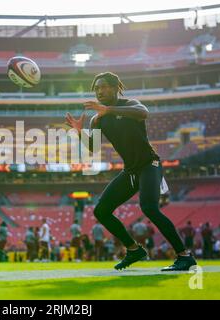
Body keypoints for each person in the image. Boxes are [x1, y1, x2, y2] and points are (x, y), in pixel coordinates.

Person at [65, 72, 196, 271]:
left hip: (149, 165)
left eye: (104, 87)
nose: (100, 91)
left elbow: (143, 113)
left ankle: (184, 256)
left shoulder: (130, 104)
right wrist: (78, 131)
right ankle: (134, 250)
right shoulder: (97, 120)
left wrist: (108, 109)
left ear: (116, 87)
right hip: (131, 171)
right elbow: (93, 148)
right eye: (97, 88)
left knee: (149, 208)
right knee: (101, 211)